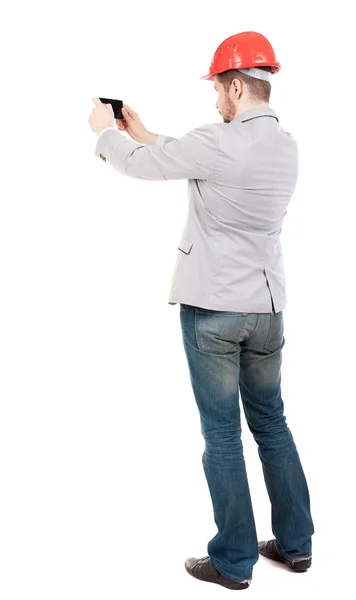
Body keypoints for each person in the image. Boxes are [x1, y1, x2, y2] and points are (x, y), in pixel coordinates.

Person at [88, 30, 314, 591]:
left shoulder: (216, 139)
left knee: (222, 435)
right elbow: (189, 157)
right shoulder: (286, 144)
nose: (216, 99)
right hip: (266, 311)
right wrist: (140, 131)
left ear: (237, 85)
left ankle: (234, 561)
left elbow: (145, 166)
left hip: (213, 311)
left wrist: (104, 136)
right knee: (273, 423)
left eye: (218, 88)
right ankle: (296, 545)